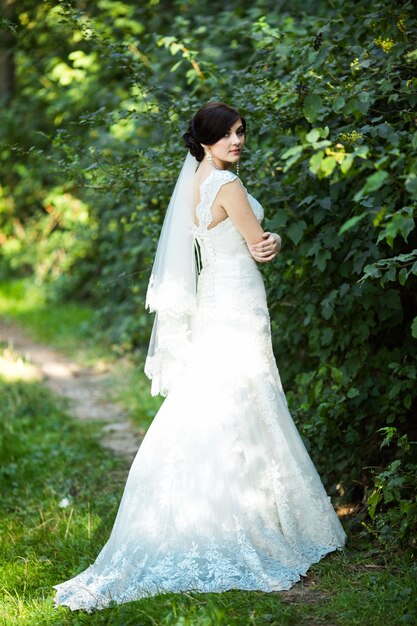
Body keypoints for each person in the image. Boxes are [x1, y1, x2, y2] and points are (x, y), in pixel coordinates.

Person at [53, 102, 346, 612]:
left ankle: (220, 507)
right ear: (207, 139)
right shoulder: (228, 186)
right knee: (248, 394)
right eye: (229, 134)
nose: (238, 141)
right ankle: (256, 520)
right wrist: (271, 238)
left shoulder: (195, 182)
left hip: (215, 294)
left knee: (219, 396)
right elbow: (258, 247)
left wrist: (259, 240)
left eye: (240, 133)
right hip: (237, 300)